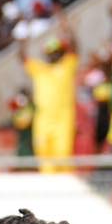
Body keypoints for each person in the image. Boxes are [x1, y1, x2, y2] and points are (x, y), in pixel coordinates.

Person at [23, 25, 79, 172]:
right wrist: (24, 38)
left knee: (63, 154)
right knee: (43, 155)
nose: (53, 55)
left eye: (56, 52)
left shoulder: (67, 66)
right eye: (50, 53)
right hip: (43, 120)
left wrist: (68, 30)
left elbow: (75, 50)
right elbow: (22, 57)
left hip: (63, 119)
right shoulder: (39, 69)